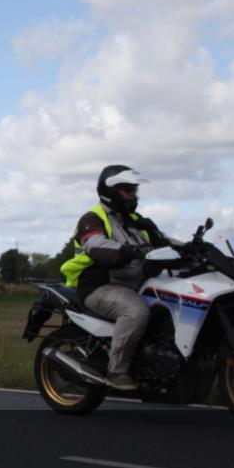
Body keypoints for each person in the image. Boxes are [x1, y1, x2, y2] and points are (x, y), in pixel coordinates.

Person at [60, 165, 169, 391]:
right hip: (100, 286)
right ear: (110, 191)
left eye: (133, 190)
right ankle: (117, 372)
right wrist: (127, 251)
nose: (132, 194)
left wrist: (192, 247)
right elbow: (96, 244)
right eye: (126, 190)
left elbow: (165, 242)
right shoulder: (92, 219)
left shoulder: (136, 221)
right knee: (135, 312)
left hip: (134, 285)